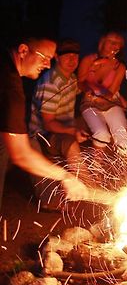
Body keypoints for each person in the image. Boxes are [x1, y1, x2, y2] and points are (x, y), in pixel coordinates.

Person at [0, 36, 88, 212]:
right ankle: (51, 197)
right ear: (23, 51)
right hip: (41, 135)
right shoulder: (10, 88)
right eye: (44, 57)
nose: (48, 65)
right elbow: (21, 154)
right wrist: (66, 177)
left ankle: (89, 188)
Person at [29, 39, 90, 209]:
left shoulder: (70, 78)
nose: (72, 60)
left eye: (75, 57)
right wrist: (73, 131)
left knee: (89, 116)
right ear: (57, 57)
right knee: (71, 143)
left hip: (58, 130)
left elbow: (80, 87)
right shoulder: (51, 83)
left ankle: (90, 187)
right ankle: (90, 188)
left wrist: (93, 88)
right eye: (67, 56)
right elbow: (48, 124)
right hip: (41, 135)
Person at [77, 31, 127, 152]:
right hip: (89, 103)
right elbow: (80, 82)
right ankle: (97, 167)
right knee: (101, 133)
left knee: (122, 135)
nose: (115, 46)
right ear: (102, 42)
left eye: (118, 44)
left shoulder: (120, 67)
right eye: (111, 42)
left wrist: (102, 96)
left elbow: (111, 92)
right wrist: (88, 90)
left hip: (110, 103)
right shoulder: (88, 60)